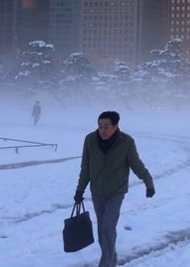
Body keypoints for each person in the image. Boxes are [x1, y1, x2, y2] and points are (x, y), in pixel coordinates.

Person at [74, 111, 154, 267]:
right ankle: (112, 258)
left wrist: (148, 182)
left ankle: (105, 264)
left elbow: (136, 164)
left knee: (107, 226)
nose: (102, 130)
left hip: (116, 192)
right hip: (97, 191)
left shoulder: (126, 142)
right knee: (102, 231)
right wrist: (80, 190)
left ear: (116, 126)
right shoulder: (90, 140)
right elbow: (86, 167)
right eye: (100, 126)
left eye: (106, 126)